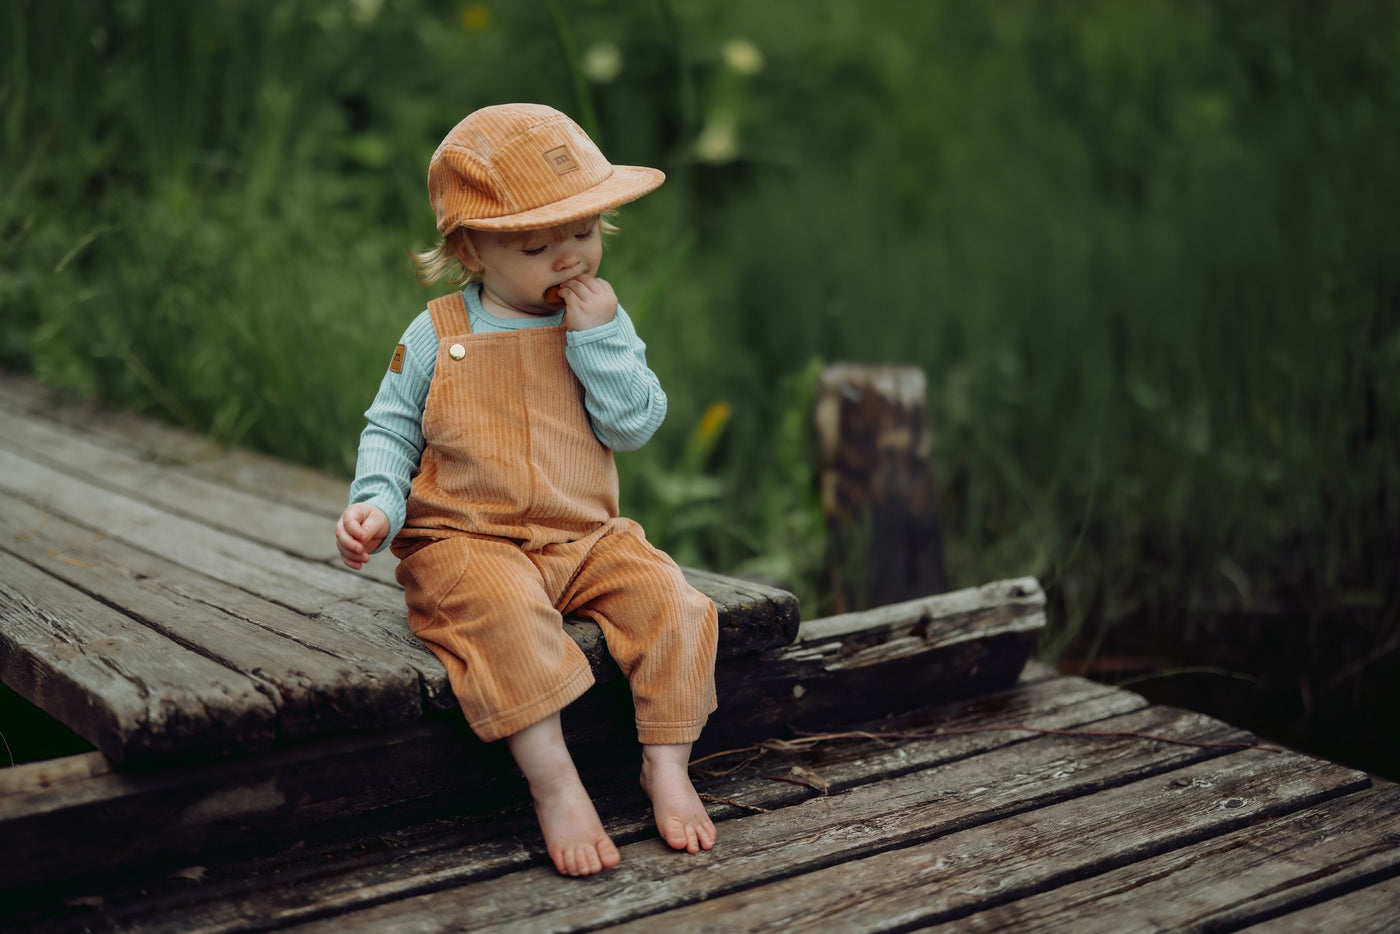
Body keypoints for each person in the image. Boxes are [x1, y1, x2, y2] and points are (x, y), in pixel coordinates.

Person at [334, 103, 719, 876]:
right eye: (537, 245)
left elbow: (633, 425)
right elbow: (391, 428)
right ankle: (555, 782)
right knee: (505, 617)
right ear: (473, 249)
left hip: (584, 535)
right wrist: (378, 500)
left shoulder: (600, 321)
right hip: (470, 540)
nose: (569, 259)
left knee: (675, 603)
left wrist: (601, 341)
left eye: (583, 233)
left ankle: (666, 764)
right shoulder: (436, 332)